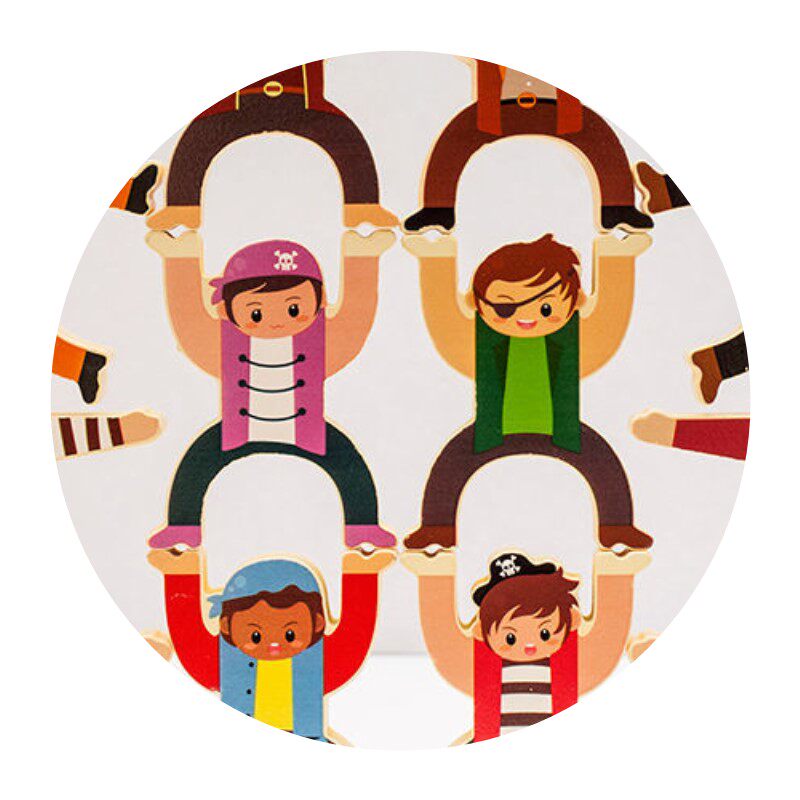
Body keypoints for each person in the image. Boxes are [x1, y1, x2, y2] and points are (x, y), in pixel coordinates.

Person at [146, 229, 396, 550]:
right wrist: (179, 257)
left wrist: (363, 255)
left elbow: (354, 319)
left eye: (293, 309)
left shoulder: (321, 343)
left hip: (308, 429)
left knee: (349, 467)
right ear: (225, 311)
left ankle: (363, 526)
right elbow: (189, 321)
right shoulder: (222, 344)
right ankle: (183, 527)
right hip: (237, 429)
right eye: (256, 313)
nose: (276, 322)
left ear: (320, 301)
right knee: (197, 464)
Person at [403, 231, 653, 551]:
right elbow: (445, 323)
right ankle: (436, 529)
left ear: (575, 302)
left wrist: (619, 257)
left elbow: (609, 322)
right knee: (451, 466)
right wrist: (434, 259)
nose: (526, 317)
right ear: (476, 303)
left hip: (562, 428)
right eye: (505, 309)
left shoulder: (576, 340)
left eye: (545, 308)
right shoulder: (477, 340)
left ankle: (617, 527)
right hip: (492, 428)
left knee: (603, 465)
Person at [402, 547, 650, 741]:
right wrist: (434, 574)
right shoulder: (481, 667)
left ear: (573, 619)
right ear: (480, 632)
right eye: (510, 638)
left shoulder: (571, 664)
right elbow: (443, 640)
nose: (530, 644)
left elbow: (608, 637)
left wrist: (616, 572)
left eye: (545, 633)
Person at [148, 547, 394, 741]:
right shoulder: (225, 665)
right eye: (256, 636)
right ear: (226, 626)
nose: (274, 644)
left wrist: (362, 573)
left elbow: (354, 634)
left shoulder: (318, 665)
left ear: (318, 623)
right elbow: (189, 636)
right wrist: (180, 572)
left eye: (290, 634)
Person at [404, 59, 653, 234]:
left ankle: (618, 207)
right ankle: (437, 209)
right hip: (497, 106)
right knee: (455, 138)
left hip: (560, 107)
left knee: (600, 139)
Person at [147, 61, 397, 231]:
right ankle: (180, 208)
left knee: (345, 136)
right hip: (240, 100)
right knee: (197, 139)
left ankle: (363, 207)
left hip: (300, 96)